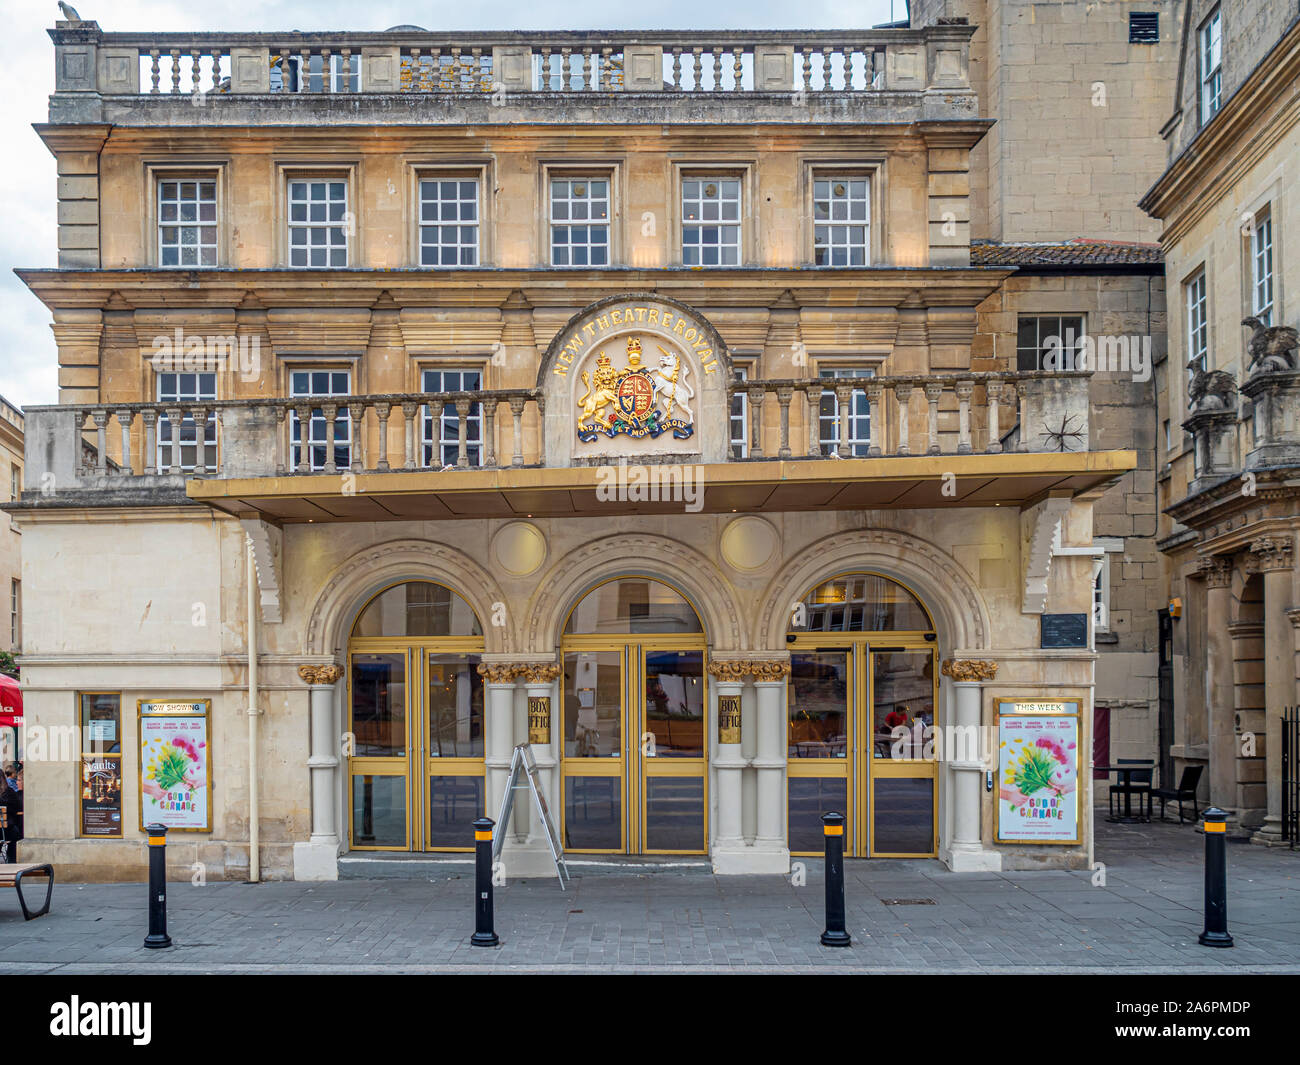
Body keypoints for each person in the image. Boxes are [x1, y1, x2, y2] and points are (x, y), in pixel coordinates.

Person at [0, 769, 21, 862]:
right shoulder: (9, 792)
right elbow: (16, 809)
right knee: (16, 833)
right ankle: (12, 860)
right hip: (5, 831)